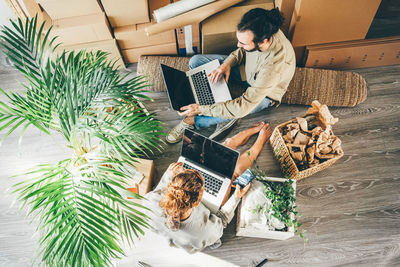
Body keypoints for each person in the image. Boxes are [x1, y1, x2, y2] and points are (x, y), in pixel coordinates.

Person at [166, 8, 296, 144]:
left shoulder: (274, 67)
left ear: (263, 42)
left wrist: (201, 109)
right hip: (245, 71)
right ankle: (208, 96)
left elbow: (243, 106)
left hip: (265, 94)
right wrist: (226, 64)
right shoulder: (266, 27)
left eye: (243, 43)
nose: (238, 45)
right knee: (196, 61)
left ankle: (194, 120)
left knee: (240, 110)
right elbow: (242, 51)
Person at [144, 122, 271, 253]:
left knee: (224, 150)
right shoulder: (205, 230)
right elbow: (222, 221)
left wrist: (167, 175)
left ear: (171, 187)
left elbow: (158, 191)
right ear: (197, 202)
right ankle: (259, 141)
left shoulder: (151, 200)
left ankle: (241, 137)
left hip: (177, 227)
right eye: (203, 186)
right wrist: (236, 197)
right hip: (202, 227)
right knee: (234, 172)